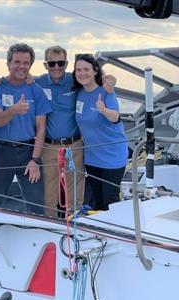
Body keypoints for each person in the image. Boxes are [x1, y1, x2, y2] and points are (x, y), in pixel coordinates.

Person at [35, 46, 117, 218]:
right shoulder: (38, 82)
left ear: (66, 64)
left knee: (76, 190)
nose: (56, 67)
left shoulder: (74, 81)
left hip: (74, 144)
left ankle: (76, 224)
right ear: (45, 65)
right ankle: (50, 224)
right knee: (49, 191)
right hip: (49, 146)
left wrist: (110, 79)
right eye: (52, 63)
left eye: (61, 63)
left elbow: (94, 78)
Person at [0, 43, 51, 215]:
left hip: (28, 153)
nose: (21, 66)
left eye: (26, 63)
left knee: (37, 204)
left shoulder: (36, 90)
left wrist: (35, 160)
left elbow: (41, 127)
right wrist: (14, 110)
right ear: (8, 63)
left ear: (30, 65)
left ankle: (37, 236)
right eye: (17, 62)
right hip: (2, 151)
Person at [73, 53, 127, 211]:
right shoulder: (79, 93)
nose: (82, 73)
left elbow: (115, 117)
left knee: (110, 199)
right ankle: (99, 233)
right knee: (96, 200)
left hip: (112, 156)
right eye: (79, 70)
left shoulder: (106, 91)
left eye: (86, 69)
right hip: (92, 157)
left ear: (95, 71)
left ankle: (116, 232)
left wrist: (103, 110)